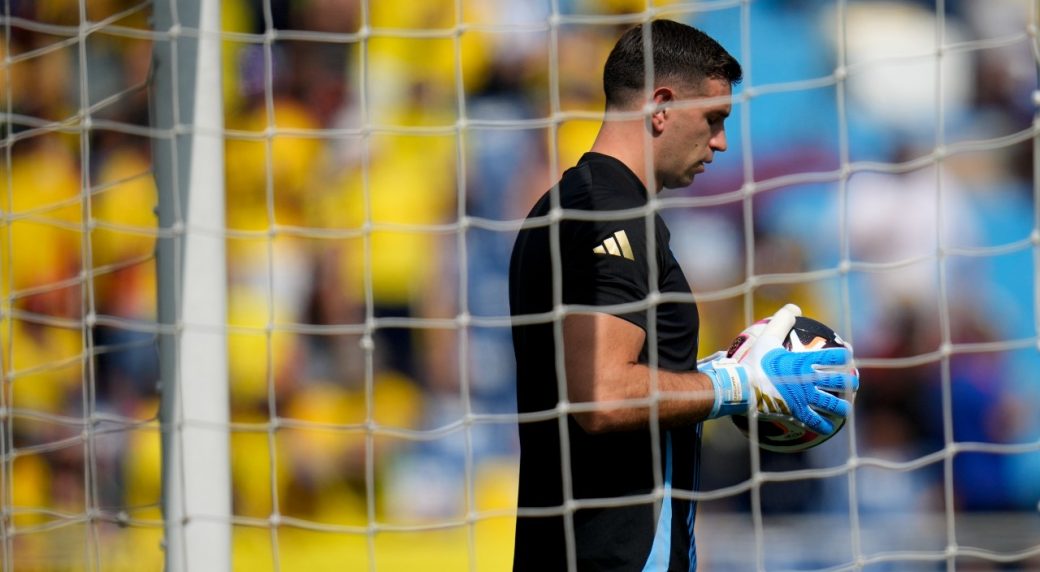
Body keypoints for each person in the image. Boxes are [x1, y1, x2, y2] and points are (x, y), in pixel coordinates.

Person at [508, 19, 859, 571]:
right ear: (661, 106)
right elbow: (600, 394)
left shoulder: (583, 203)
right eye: (714, 119)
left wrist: (718, 369)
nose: (721, 142)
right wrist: (738, 385)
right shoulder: (609, 215)